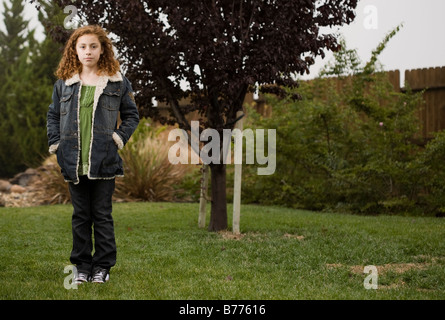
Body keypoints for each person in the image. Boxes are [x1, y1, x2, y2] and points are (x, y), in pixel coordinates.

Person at [47, 25, 139, 284]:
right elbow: (53, 115)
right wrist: (56, 143)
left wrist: (118, 138)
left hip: (104, 160)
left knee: (101, 215)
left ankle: (102, 268)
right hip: (73, 160)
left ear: (102, 50)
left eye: (93, 46)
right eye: (83, 46)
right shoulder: (63, 85)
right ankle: (82, 267)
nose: (88, 51)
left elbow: (132, 115)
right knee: (80, 216)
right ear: (74, 51)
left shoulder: (117, 81)